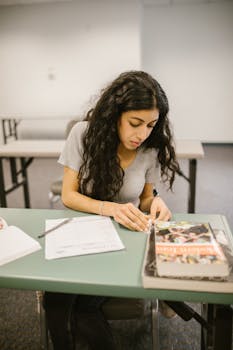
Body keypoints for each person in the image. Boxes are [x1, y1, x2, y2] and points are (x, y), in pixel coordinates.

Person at [44, 70, 180, 349]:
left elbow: (143, 199)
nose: (142, 134)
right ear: (115, 114)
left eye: (151, 125)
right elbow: (69, 195)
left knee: (80, 306)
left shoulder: (151, 149)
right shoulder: (83, 134)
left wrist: (154, 201)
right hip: (81, 235)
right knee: (57, 299)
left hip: (125, 239)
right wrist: (111, 208)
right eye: (135, 123)